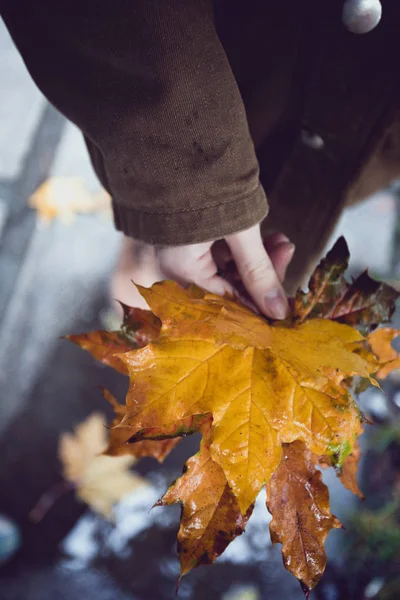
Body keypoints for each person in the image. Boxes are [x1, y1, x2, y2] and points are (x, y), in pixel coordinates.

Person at [1, 0, 397, 321]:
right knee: (177, 201)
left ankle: (172, 246)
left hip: (364, 136)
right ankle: (154, 243)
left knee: (260, 233)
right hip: (225, 63)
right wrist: (184, 188)